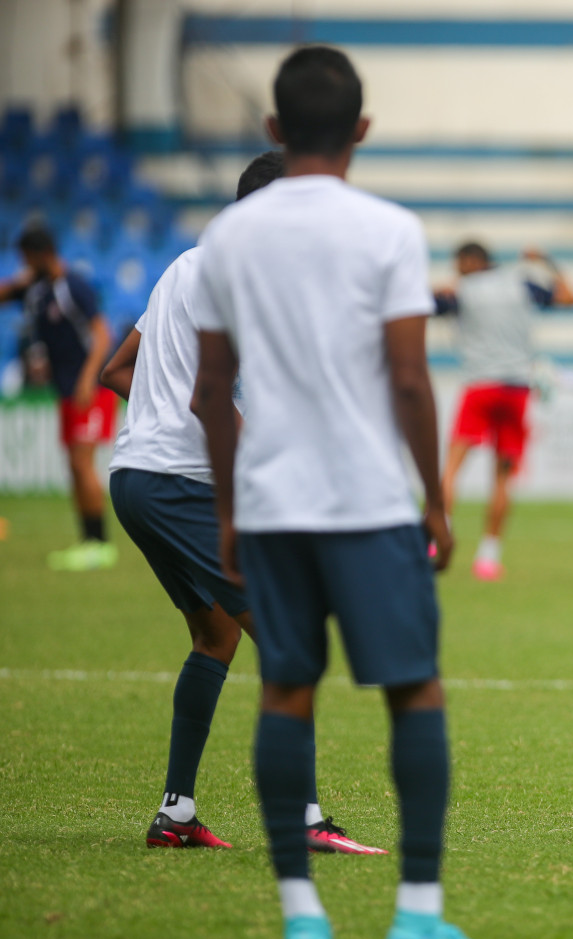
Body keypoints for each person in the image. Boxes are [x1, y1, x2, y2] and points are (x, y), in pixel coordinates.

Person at [190, 45, 504, 939]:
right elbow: (410, 378)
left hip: (273, 503)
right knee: (414, 689)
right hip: (367, 503)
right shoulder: (388, 231)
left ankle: (300, 914)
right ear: (362, 131)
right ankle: (415, 912)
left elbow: (213, 392)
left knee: (287, 688)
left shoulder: (228, 237)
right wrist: (438, 504)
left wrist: (228, 514)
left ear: (273, 130)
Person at [101, 150, 385, 856]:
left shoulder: (186, 265)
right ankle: (306, 818)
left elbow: (117, 370)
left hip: (135, 477)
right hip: (180, 484)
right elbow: (210, 400)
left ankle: (176, 813)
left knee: (217, 637)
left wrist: (155, 431)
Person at [434, 241, 573, 580]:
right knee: (502, 477)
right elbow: (571, 297)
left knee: (451, 469)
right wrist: (547, 259)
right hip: (515, 389)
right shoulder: (521, 283)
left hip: (479, 386)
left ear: (470, 261)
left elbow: (425, 305)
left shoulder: (462, 290)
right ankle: (488, 557)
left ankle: (436, 540)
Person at [1, 223, 117, 570]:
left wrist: (87, 379)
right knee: (74, 467)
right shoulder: (37, 289)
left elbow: (102, 334)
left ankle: (100, 545)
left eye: (25, 258)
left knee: (83, 464)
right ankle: (87, 541)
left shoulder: (73, 287)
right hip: (66, 391)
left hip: (88, 390)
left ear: (39, 255)